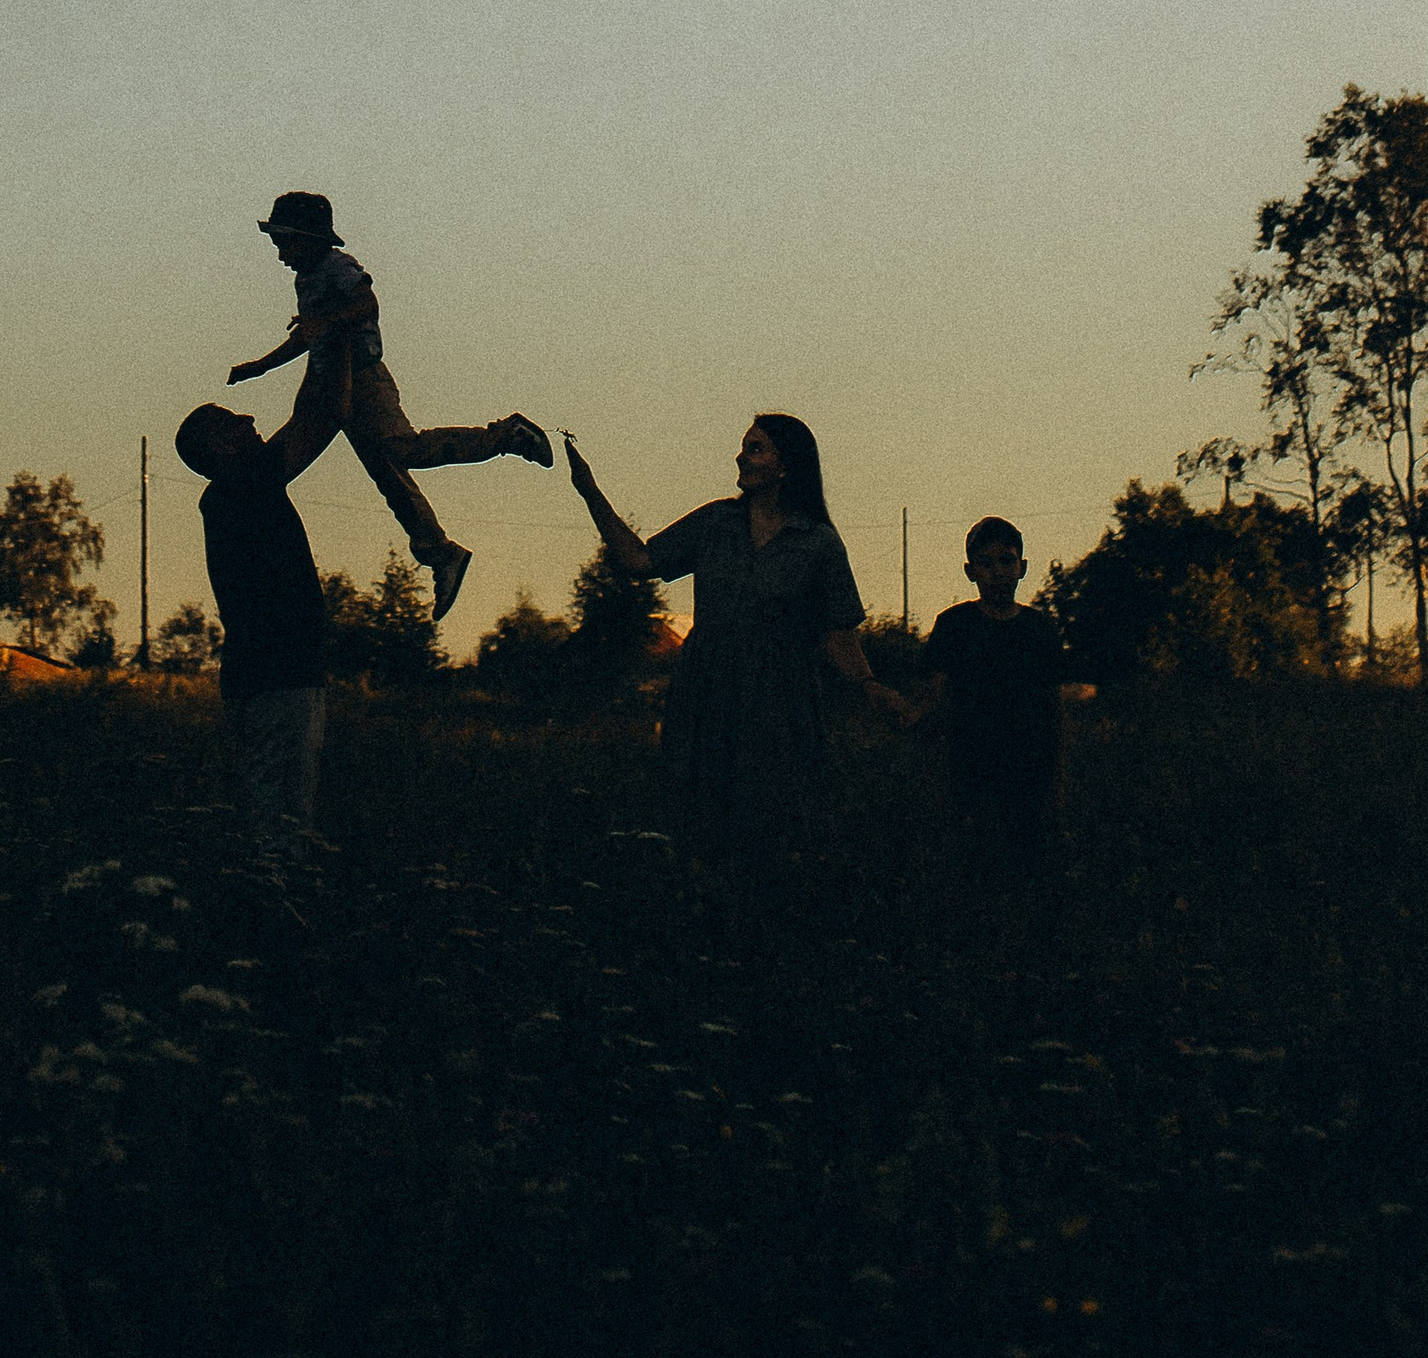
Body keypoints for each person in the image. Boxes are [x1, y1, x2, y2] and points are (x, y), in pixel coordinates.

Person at [565, 413, 922, 860]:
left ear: (786, 465)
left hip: (778, 705)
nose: (741, 456)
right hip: (706, 696)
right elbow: (639, 561)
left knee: (770, 830)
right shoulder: (716, 522)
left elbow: (837, 633)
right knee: (697, 828)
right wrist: (589, 490)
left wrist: (871, 687)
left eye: (756, 447)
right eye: (744, 446)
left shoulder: (817, 543)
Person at [228, 191, 552, 621]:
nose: (281, 254)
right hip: (326, 381)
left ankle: (504, 436)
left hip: (362, 378)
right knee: (388, 473)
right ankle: (440, 551)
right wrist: (260, 367)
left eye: (285, 243)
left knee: (403, 449)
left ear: (309, 238)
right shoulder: (305, 279)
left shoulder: (337, 267)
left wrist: (327, 322)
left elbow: (366, 303)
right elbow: (308, 335)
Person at [175, 331, 353, 863]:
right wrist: (336, 338)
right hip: (280, 677)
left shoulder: (231, 494)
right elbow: (323, 415)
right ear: (220, 448)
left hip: (269, 676)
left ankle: (269, 902)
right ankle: (269, 913)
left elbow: (319, 412)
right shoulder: (245, 484)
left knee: (273, 811)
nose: (250, 421)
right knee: (281, 821)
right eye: (235, 422)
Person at [920, 516, 1075, 870]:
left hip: (1030, 773)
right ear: (970, 571)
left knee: (1027, 867)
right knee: (975, 867)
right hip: (970, 771)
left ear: (1022, 567)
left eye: (1006, 560)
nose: (997, 571)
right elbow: (934, 698)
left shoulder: (1040, 630)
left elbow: (1055, 709)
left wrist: (1058, 781)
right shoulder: (953, 626)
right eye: (986, 563)